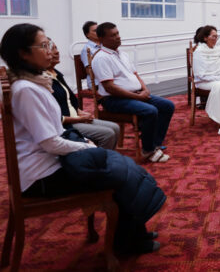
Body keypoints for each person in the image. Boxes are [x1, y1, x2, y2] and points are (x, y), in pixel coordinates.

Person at [0, 23, 165, 254]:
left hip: (51, 162)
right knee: (119, 175)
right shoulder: (27, 90)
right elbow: (50, 142)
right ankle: (126, 243)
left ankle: (133, 234)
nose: (50, 50)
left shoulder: (33, 83)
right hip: (43, 175)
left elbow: (53, 134)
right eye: (44, 45)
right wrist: (86, 147)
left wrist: (85, 145)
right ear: (23, 53)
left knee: (123, 166)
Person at [91, 22, 174, 163]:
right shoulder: (101, 58)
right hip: (113, 99)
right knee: (150, 111)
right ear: (101, 39)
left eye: (117, 33)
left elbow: (135, 75)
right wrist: (137, 97)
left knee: (167, 106)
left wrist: (145, 90)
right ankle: (148, 150)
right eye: (113, 35)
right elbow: (110, 87)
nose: (118, 37)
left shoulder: (122, 54)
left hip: (135, 94)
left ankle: (154, 143)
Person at [46, 39, 120, 149]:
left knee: (115, 127)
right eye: (52, 49)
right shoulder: (44, 80)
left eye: (56, 48)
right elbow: (55, 117)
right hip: (66, 124)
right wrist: (80, 119)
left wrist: (80, 112)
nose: (57, 52)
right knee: (108, 134)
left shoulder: (56, 74)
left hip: (75, 117)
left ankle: (103, 154)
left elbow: (68, 101)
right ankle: (99, 156)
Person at [80, 20, 100, 88]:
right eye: (95, 31)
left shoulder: (105, 45)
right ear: (87, 34)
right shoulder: (86, 49)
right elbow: (89, 71)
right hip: (97, 82)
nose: (98, 32)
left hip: (109, 80)